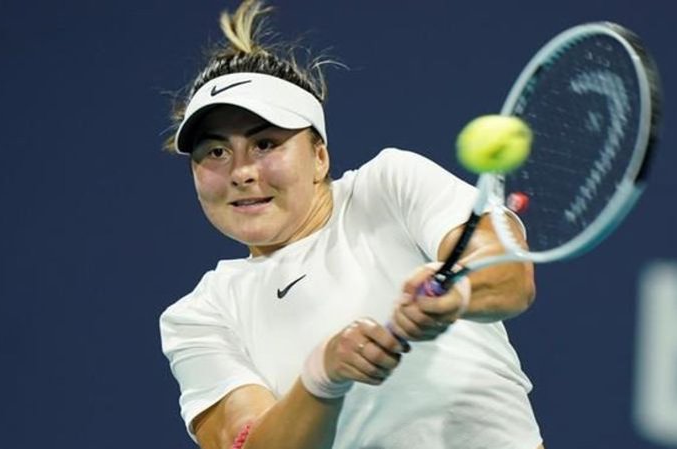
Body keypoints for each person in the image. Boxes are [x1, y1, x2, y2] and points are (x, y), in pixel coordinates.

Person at [159, 1, 543, 448]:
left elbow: (508, 271)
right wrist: (323, 376)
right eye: (216, 152)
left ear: (319, 156)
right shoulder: (200, 316)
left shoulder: (390, 183)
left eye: (265, 144)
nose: (241, 172)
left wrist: (458, 292)